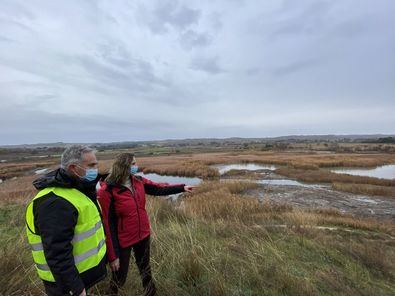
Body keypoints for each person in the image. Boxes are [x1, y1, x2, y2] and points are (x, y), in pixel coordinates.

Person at [97, 153, 194, 296]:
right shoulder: (108, 190)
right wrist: (113, 256)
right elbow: (108, 225)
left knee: (145, 269)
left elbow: (159, 188)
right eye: (133, 164)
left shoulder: (138, 181)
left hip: (143, 235)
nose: (136, 166)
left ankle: (151, 293)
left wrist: (182, 187)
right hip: (123, 240)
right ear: (123, 166)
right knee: (120, 277)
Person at [26, 145, 107, 296]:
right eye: (91, 165)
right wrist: (74, 287)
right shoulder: (55, 202)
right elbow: (57, 251)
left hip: (79, 277)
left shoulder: (77, 191)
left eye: (96, 164)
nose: (96, 169)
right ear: (73, 168)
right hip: (63, 286)